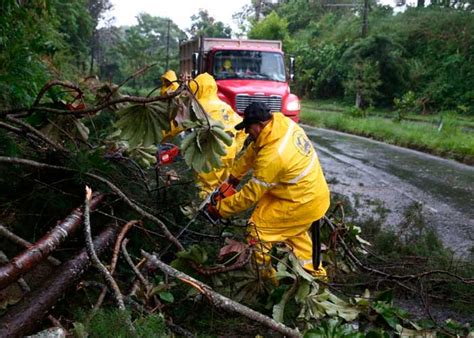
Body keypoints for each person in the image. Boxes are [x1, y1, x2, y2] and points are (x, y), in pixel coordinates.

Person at [206, 102, 330, 280]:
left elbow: (250, 196)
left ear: (260, 125)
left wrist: (219, 209)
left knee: (258, 231)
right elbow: (252, 151)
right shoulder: (281, 127)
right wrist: (233, 178)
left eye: (249, 128)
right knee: (294, 232)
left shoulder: (274, 155)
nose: (247, 133)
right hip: (309, 196)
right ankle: (317, 277)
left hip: (299, 202)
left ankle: (265, 280)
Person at [188, 72, 246, 199]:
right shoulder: (224, 105)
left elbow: (180, 125)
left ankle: (202, 214)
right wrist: (235, 148)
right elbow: (242, 129)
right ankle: (221, 209)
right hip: (229, 150)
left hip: (212, 150)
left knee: (206, 188)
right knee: (222, 186)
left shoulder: (198, 107)